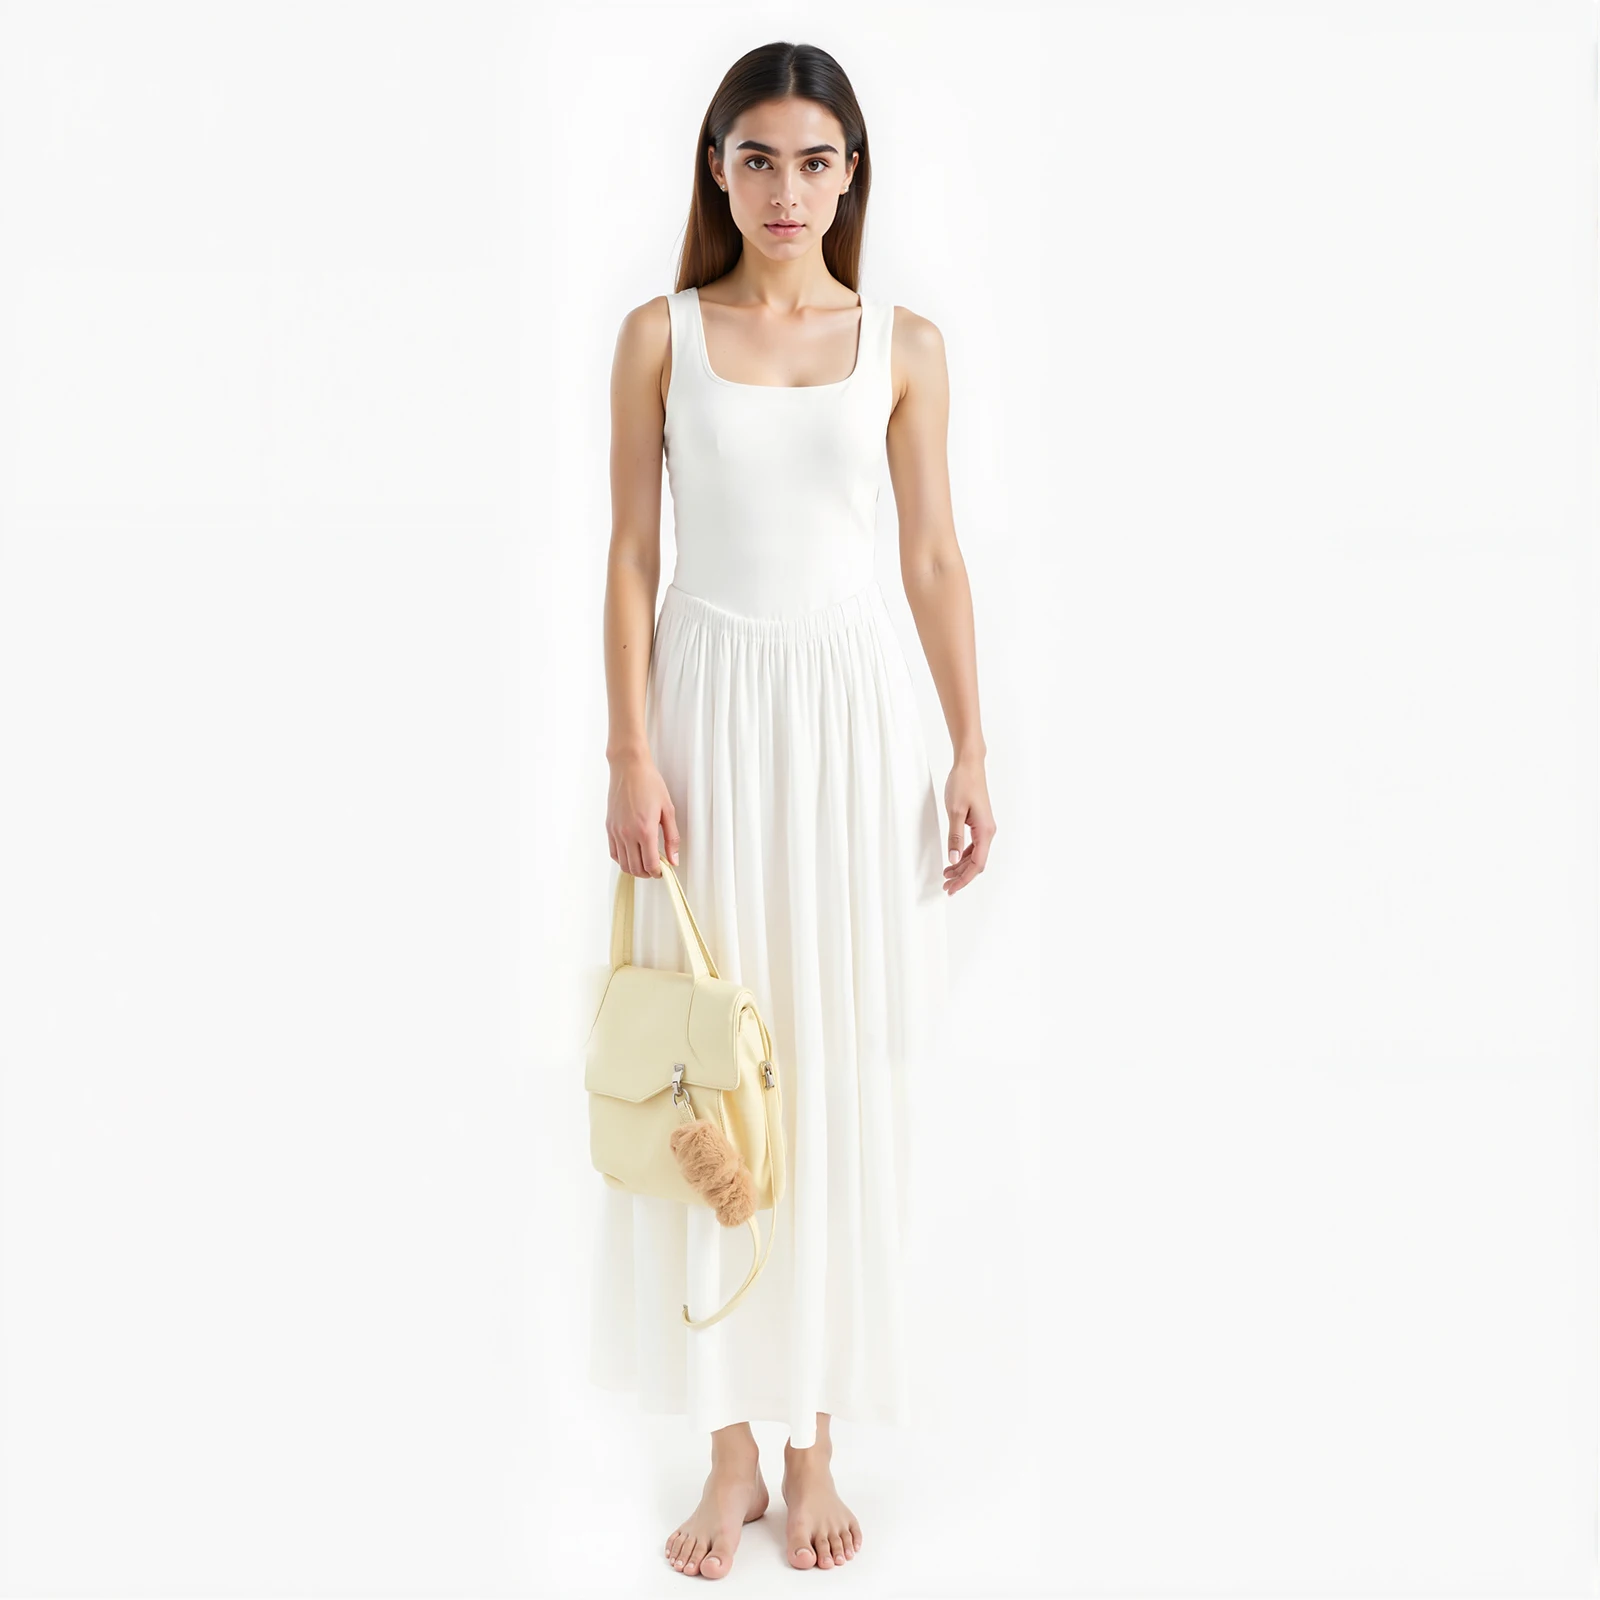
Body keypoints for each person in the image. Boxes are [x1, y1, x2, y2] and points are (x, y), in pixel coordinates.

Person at [591, 39, 995, 1580]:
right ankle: (730, 1456)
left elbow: (934, 559)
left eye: (815, 160)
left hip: (853, 730)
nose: (785, 188)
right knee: (709, 1072)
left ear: (850, 175)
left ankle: (814, 1445)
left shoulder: (904, 344)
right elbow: (632, 557)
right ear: (718, 167)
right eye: (757, 157)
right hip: (704, 719)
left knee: (826, 1068)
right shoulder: (659, 336)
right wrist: (628, 754)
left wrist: (970, 750)